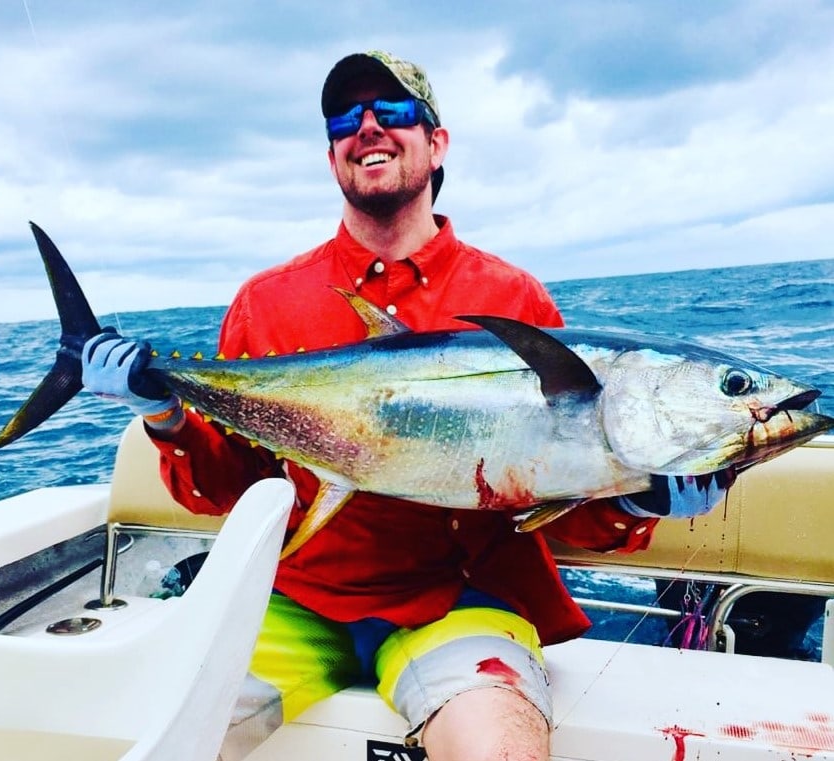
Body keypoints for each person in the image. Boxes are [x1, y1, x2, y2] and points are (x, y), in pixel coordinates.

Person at [81, 51, 731, 761]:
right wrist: (165, 415)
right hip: (295, 598)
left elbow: (570, 487)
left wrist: (642, 500)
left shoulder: (515, 303)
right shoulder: (266, 305)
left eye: (392, 114)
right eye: (344, 120)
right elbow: (232, 487)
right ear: (331, 153)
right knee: (158, 739)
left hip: (461, 605)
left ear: (436, 142)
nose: (367, 129)